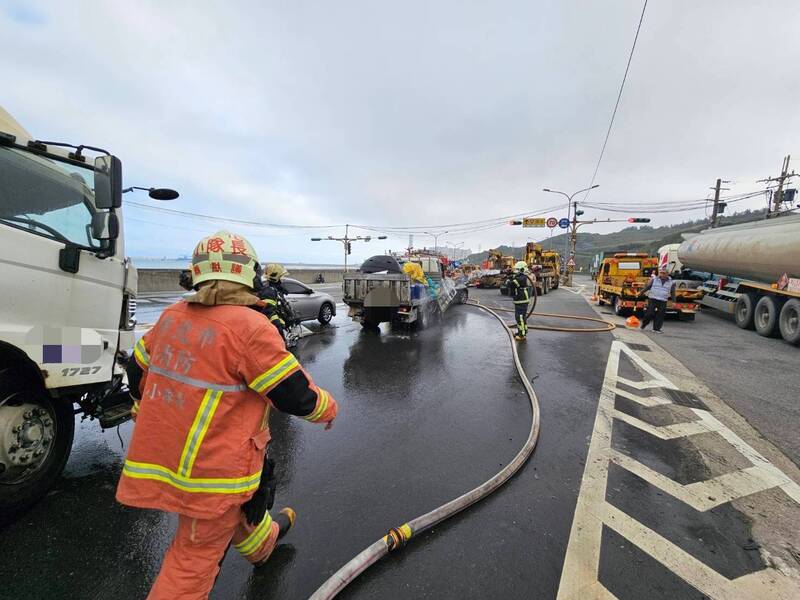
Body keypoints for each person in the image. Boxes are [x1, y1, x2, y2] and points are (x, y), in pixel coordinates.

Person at [117, 231, 338, 599]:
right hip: (211, 471)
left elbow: (137, 371)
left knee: (233, 510)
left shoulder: (171, 318)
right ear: (250, 276)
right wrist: (329, 408)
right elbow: (295, 395)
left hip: (167, 456)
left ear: (196, 275)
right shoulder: (251, 329)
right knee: (193, 557)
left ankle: (263, 543)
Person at [639, 265, 676, 333]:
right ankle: (644, 324)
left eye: (663, 273)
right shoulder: (654, 279)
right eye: (661, 273)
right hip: (653, 298)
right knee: (649, 313)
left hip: (663, 300)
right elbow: (648, 287)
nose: (662, 274)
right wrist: (641, 292)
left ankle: (656, 329)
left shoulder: (671, 282)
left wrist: (674, 301)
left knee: (660, 314)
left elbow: (673, 292)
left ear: (667, 274)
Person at [508, 261, 532, 341]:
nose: (516, 271)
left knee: (520, 317)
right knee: (521, 317)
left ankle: (522, 335)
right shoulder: (521, 277)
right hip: (520, 300)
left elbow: (511, 284)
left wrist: (509, 279)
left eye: (517, 270)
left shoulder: (521, 278)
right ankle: (522, 331)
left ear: (521, 269)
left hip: (521, 300)